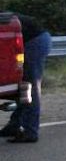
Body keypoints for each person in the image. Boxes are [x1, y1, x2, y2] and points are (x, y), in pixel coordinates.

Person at [0, 13, 52, 143]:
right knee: (20, 86)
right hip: (33, 40)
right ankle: (14, 125)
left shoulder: (4, 21)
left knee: (28, 87)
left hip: (35, 42)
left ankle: (30, 132)